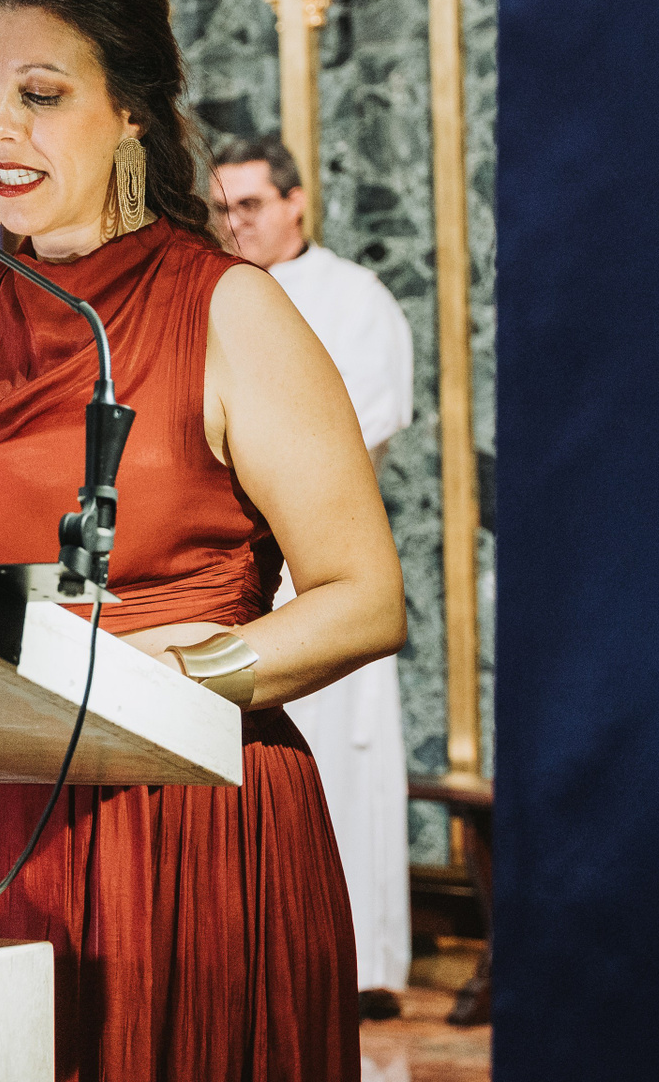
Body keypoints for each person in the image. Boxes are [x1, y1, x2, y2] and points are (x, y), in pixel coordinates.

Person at [0, 0, 406, 1082]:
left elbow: (367, 599)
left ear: (130, 110)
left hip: (176, 816)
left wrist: (179, 672)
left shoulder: (231, 307)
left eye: (40, 92)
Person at [211, 135, 417, 1012]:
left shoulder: (354, 298)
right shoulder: (212, 295)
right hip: (239, 575)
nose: (237, 223)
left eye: (252, 205)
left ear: (297, 202)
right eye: (223, 208)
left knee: (342, 775)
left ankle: (358, 966)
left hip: (325, 569)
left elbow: (355, 431)